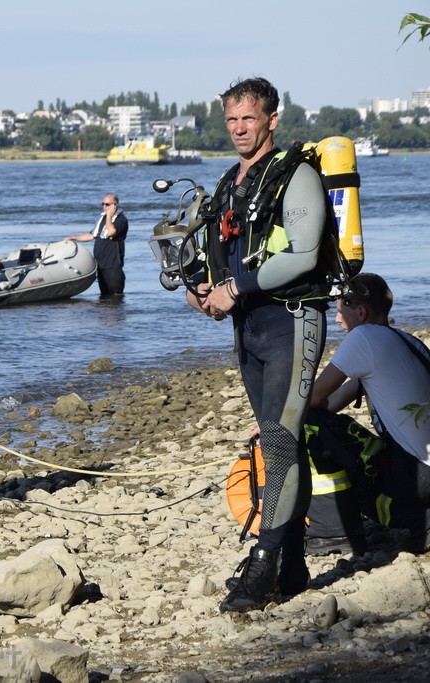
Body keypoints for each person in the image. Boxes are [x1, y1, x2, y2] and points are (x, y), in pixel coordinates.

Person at [186, 77, 329, 613]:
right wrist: (202, 291)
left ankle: (264, 562)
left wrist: (233, 289)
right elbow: (217, 259)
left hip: (292, 321)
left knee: (281, 441)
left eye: (249, 118)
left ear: (272, 118)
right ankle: (293, 563)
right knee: (285, 442)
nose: (239, 129)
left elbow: (305, 254)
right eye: (231, 120)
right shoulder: (231, 182)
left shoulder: (298, 175)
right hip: (248, 328)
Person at [307, 273, 430, 553]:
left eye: (340, 311)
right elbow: (330, 403)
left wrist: (277, 425)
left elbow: (312, 400)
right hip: (426, 470)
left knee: (311, 427)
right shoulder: (403, 341)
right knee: (321, 422)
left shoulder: (363, 337)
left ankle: (335, 532)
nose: (337, 320)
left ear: (360, 312)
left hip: (421, 478)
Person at [64, 193, 128, 297]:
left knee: (115, 298)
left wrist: (109, 216)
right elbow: (91, 235)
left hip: (113, 266)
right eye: (103, 204)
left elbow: (111, 231)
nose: (104, 206)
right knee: (104, 297)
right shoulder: (102, 218)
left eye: (107, 204)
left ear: (115, 205)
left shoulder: (121, 219)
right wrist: (74, 238)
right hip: (100, 265)